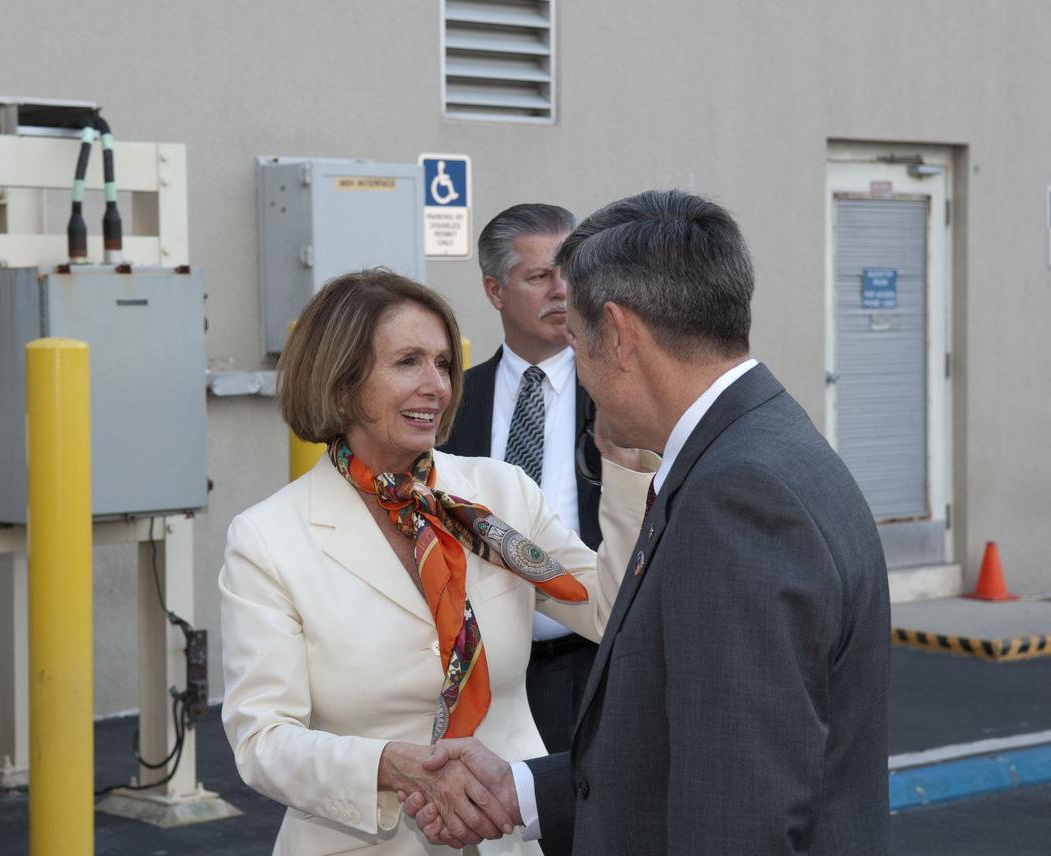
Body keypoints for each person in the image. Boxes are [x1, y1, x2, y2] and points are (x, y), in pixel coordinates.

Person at [404, 190, 892, 855]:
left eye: (576, 342)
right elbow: (687, 740)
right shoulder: (764, 445)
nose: (578, 372)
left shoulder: (737, 497)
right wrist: (522, 792)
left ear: (620, 334)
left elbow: (737, 809)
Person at [219, 268, 659, 855]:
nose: (438, 386)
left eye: (443, 364)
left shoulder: (500, 496)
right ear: (342, 380)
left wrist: (628, 473)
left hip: (506, 840)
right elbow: (263, 741)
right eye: (407, 362)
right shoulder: (268, 537)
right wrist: (392, 766)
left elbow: (614, 613)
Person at [439, 203, 603, 754]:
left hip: (593, 668)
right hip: (474, 675)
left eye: (570, 274)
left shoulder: (619, 396)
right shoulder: (450, 402)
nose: (562, 291)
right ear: (494, 290)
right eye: (539, 276)